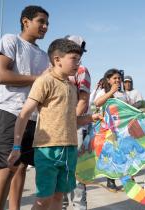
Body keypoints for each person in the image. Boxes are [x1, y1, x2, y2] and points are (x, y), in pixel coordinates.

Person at [7, 38, 100, 210]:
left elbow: (71, 120)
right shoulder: (45, 81)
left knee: (58, 197)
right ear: (57, 59)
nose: (78, 64)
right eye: (74, 59)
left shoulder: (72, 87)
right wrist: (16, 146)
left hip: (70, 149)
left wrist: (90, 118)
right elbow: (24, 113)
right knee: (43, 199)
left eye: (79, 60)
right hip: (47, 149)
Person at [0, 6, 50, 210]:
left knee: (22, 167)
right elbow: (2, 75)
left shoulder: (43, 55)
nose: (45, 26)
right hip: (10, 112)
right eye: (41, 21)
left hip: (32, 118)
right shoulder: (10, 40)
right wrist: (38, 79)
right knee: (8, 167)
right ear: (26, 21)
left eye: (47, 23)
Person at [62, 35, 91, 210]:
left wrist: (70, 122)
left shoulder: (81, 71)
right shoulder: (54, 69)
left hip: (76, 127)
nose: (76, 53)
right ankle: (62, 205)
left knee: (76, 170)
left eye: (79, 50)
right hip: (57, 128)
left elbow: (83, 101)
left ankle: (79, 206)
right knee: (61, 170)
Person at [94, 68, 129, 192]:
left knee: (124, 155)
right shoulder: (103, 91)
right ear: (108, 80)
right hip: (107, 130)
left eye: (119, 78)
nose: (118, 80)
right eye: (115, 78)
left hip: (122, 129)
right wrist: (111, 92)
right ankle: (111, 181)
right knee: (111, 155)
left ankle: (126, 181)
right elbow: (97, 103)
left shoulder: (123, 94)